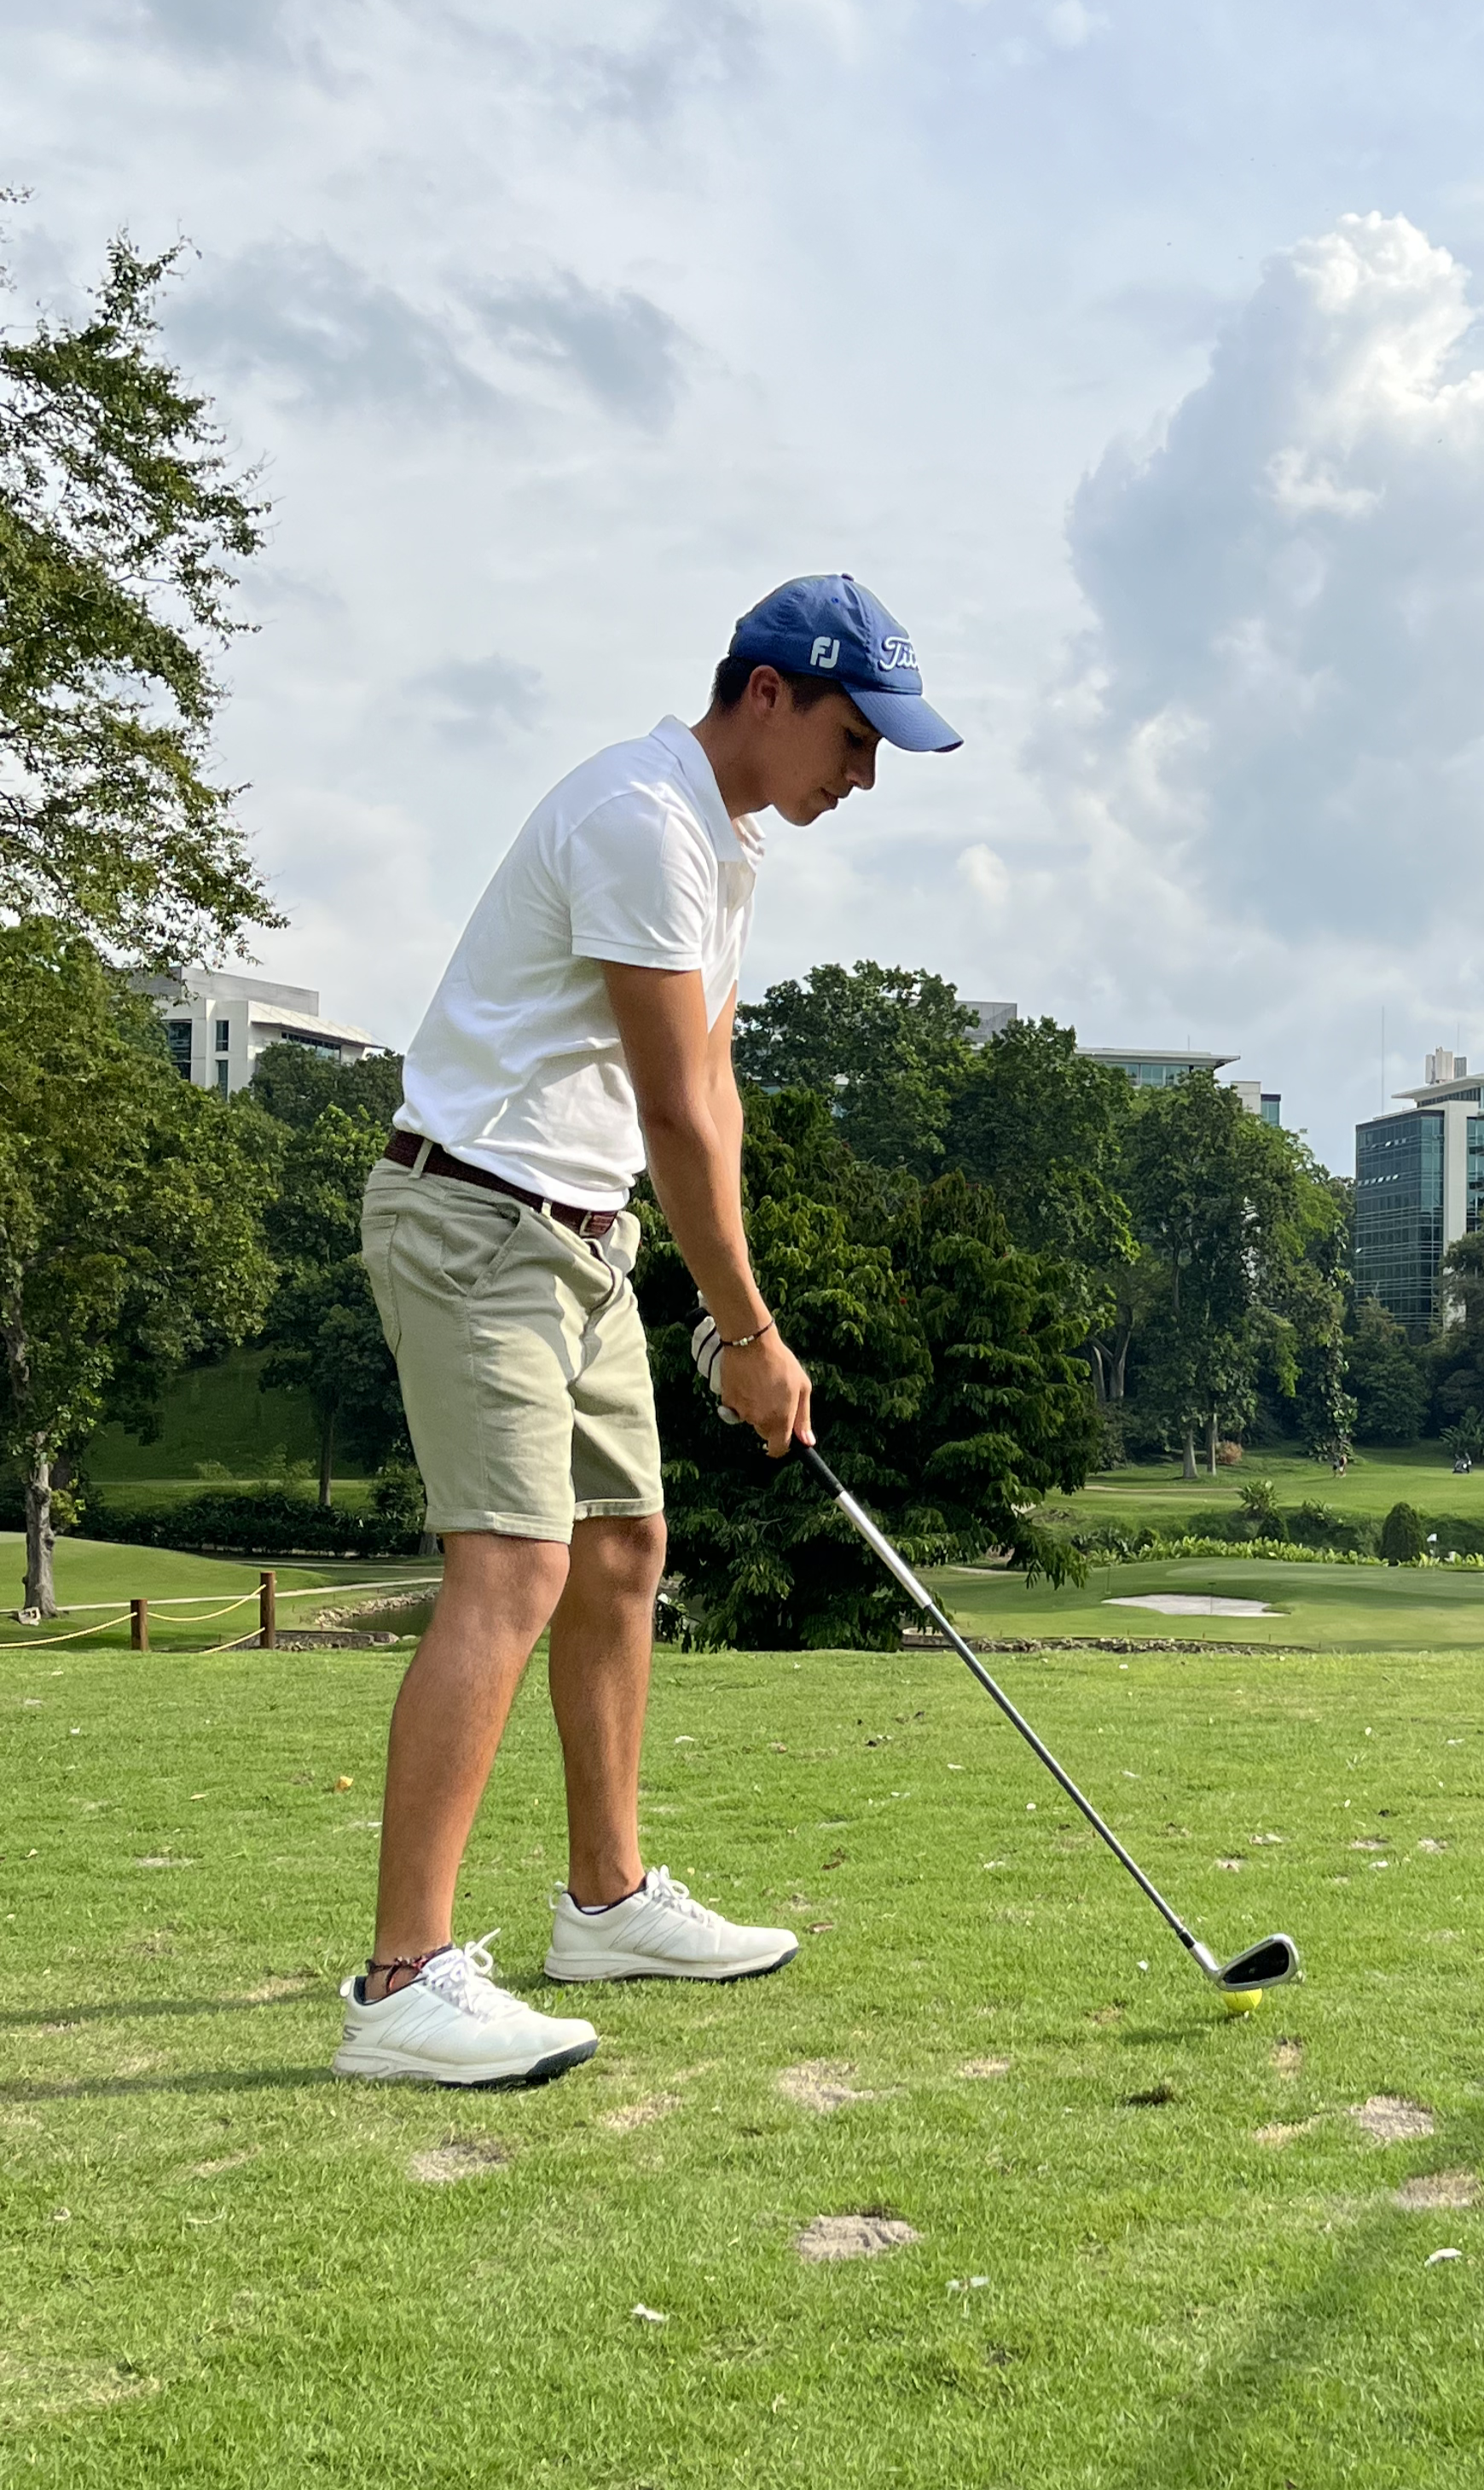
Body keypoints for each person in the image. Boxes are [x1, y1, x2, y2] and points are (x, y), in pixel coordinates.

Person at [333, 575, 961, 2086]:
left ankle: (605, 1902)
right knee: (517, 1564)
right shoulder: (642, 818)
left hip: (583, 1234)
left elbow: (712, 1095)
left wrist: (741, 1311)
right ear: (765, 691)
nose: (864, 773)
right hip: (476, 1214)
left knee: (623, 1546)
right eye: (854, 734)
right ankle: (401, 1981)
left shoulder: (728, 848)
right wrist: (743, 1329)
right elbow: (672, 1100)